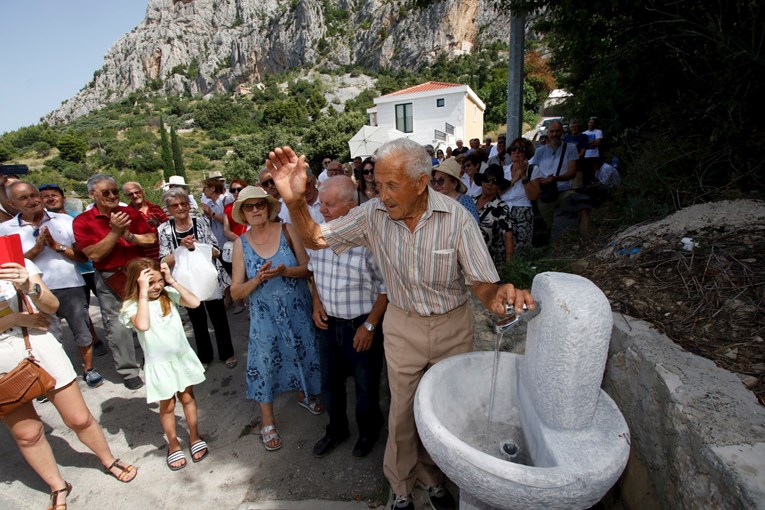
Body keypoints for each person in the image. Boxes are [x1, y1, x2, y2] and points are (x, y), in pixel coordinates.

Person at [265, 139, 534, 510]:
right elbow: (315, 238)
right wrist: (294, 202)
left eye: (392, 185)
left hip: (453, 327)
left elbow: (482, 284)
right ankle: (401, 487)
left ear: (421, 182)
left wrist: (498, 295)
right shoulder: (373, 214)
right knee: (403, 411)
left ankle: (434, 478)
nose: (383, 195)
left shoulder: (457, 218)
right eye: (378, 185)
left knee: (445, 412)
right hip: (403, 325)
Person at [0, 260, 137, 510]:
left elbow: (51, 305)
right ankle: (57, 485)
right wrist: (15, 319)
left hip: (39, 347)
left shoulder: (13, 260)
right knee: (27, 434)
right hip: (2, 362)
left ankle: (108, 460)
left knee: (78, 418)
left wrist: (29, 285)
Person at [229, 186, 323, 452]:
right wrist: (257, 279)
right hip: (264, 316)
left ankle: (306, 393)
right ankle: (267, 421)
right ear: (244, 214)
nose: (256, 210)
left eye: (260, 204)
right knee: (265, 363)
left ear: (269, 208)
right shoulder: (240, 244)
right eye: (250, 206)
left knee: (303, 351)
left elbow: (308, 269)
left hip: (297, 309)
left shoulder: (287, 231)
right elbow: (236, 291)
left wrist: (286, 271)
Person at [308, 176, 388, 459]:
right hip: (328, 325)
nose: (323, 210)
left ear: (351, 206)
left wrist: (370, 325)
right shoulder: (319, 236)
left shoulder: (369, 242)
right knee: (329, 384)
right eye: (321, 204)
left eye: (329, 205)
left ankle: (369, 431)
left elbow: (385, 288)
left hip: (361, 324)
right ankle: (336, 429)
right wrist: (316, 301)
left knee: (366, 387)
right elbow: (313, 272)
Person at [0, 182, 105, 388]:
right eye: (23, 198)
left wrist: (57, 247)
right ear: (12, 203)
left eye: (33, 195)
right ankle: (54, 375)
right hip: (32, 292)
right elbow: (9, 266)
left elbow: (83, 257)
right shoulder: (5, 229)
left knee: (81, 329)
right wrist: (36, 251)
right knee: (46, 334)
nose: (32, 201)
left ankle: (89, 369)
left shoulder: (64, 220)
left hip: (70, 285)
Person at [119, 258, 208, 471]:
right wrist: (142, 292)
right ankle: (173, 442)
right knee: (167, 406)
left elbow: (195, 303)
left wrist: (171, 281)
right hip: (159, 365)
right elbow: (143, 324)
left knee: (188, 397)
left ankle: (194, 436)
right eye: (150, 283)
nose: (157, 286)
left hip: (180, 358)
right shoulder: (131, 306)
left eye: (159, 280)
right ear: (137, 283)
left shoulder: (168, 295)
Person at [73, 174, 157, 390]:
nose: (112, 196)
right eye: (105, 192)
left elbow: (151, 238)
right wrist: (115, 232)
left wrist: (131, 238)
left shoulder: (130, 213)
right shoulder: (83, 221)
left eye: (115, 191)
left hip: (139, 273)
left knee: (151, 317)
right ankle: (128, 370)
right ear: (92, 194)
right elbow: (95, 255)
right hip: (110, 278)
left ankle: (154, 359)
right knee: (117, 326)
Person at [158, 188, 236, 371]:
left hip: (209, 278)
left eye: (183, 203)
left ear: (188, 204)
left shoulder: (200, 222)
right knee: (197, 320)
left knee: (219, 317)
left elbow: (216, 250)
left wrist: (196, 246)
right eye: (174, 205)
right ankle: (205, 356)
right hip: (185, 283)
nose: (180, 208)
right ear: (168, 209)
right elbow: (162, 260)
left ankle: (227, 353)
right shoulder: (164, 229)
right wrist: (181, 248)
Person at [38, 183, 107, 358]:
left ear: (63, 198)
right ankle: (94, 339)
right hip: (75, 276)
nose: (51, 198)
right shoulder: (39, 225)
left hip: (92, 268)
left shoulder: (77, 218)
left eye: (54, 194)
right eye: (45, 196)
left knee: (104, 305)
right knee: (82, 312)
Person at [529, 120, 581, 240]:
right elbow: (534, 170)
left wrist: (555, 179)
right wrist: (542, 181)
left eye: (557, 131)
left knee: (582, 205)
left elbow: (572, 172)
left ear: (562, 132)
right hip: (546, 192)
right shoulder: (540, 151)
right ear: (547, 133)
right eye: (552, 131)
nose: (554, 134)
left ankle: (581, 238)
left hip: (564, 190)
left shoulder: (571, 148)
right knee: (543, 224)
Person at [500, 138, 541, 251]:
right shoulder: (504, 170)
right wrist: (514, 179)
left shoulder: (533, 170)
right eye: (514, 149)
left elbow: (533, 196)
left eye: (521, 149)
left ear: (527, 153)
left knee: (520, 249)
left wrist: (523, 176)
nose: (516, 152)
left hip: (522, 210)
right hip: (504, 210)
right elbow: (497, 192)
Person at [473, 165, 515, 267]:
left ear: (499, 186)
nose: (490, 183)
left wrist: (509, 268)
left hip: (485, 262)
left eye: (495, 181)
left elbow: (508, 236)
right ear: (482, 181)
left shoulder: (501, 207)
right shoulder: (471, 200)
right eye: (487, 179)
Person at [122, 181, 168, 260]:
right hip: (144, 260)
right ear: (126, 196)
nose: (135, 196)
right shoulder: (126, 215)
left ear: (142, 191)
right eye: (130, 194)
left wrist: (158, 224)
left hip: (164, 255)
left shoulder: (156, 209)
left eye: (137, 192)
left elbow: (169, 228)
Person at [199, 177, 228, 250]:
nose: (203, 191)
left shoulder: (225, 201)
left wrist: (211, 213)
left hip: (227, 244)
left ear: (212, 188)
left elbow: (227, 220)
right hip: (216, 244)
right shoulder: (209, 203)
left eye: (205, 188)